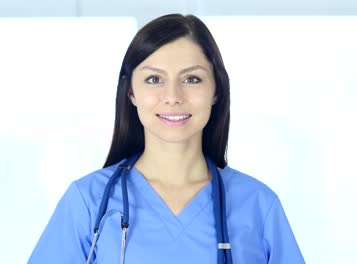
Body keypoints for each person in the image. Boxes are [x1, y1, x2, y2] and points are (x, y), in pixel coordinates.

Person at [28, 14, 304, 264]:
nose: (173, 96)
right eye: (154, 79)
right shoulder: (88, 202)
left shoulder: (258, 205)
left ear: (216, 90)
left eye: (192, 79)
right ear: (131, 93)